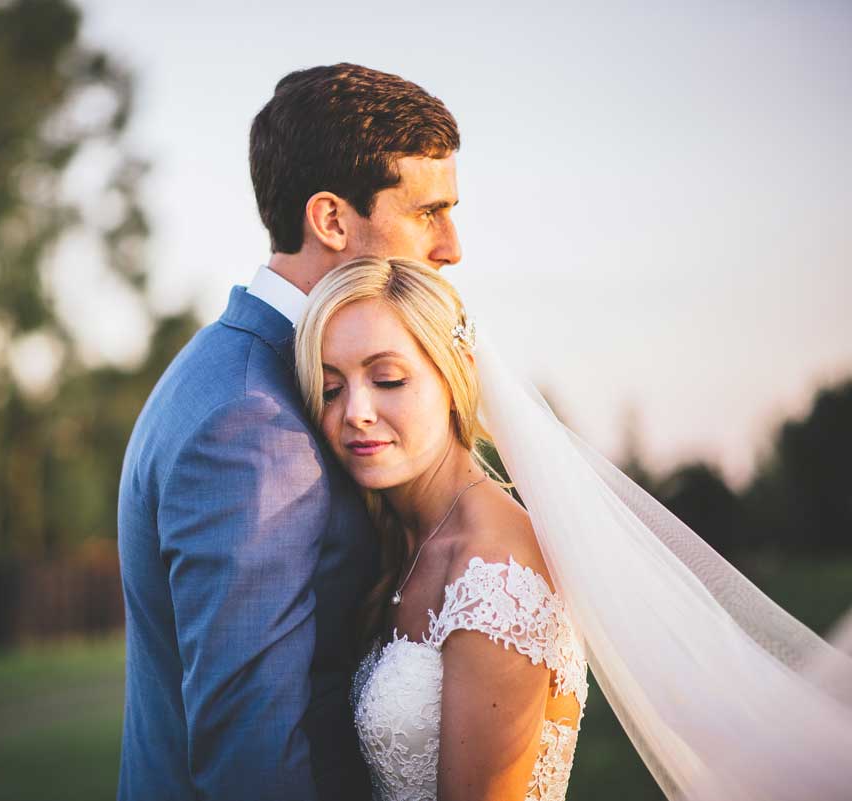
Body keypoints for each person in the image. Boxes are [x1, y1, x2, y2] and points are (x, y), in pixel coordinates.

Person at [293, 256, 852, 801]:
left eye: (387, 378)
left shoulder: (496, 576)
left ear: (456, 373)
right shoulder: (400, 540)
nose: (355, 411)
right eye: (333, 387)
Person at [116, 64, 463, 800]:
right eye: (429, 211)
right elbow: (252, 760)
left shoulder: (253, 372)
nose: (451, 245)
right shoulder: (252, 422)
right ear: (333, 220)